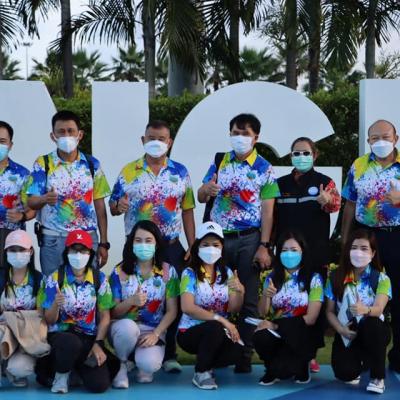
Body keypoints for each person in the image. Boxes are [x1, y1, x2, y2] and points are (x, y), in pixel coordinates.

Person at [109, 120, 195, 372]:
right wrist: (118, 206)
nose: (156, 142)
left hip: (170, 245)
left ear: (170, 142)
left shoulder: (180, 172)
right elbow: (113, 206)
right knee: (135, 296)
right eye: (151, 138)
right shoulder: (128, 171)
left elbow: (187, 210)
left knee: (172, 299)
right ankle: (130, 352)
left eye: (162, 138)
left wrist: (191, 245)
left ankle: (169, 354)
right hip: (138, 247)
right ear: (143, 140)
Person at [197, 113, 280, 372]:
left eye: (245, 133)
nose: (240, 137)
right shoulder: (219, 161)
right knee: (215, 293)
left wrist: (264, 245)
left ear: (256, 137)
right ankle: (215, 350)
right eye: (235, 132)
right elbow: (201, 195)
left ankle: (244, 355)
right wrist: (206, 191)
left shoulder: (265, 168)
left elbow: (268, 211)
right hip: (217, 240)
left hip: (249, 239)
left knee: (249, 299)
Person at [274, 136, 340, 372]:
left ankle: (310, 354)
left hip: (316, 255)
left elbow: (335, 204)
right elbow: (271, 216)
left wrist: (327, 201)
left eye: (305, 153)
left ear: (315, 155)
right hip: (287, 255)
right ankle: (284, 347)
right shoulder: (279, 183)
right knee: (286, 300)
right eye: (296, 153)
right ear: (290, 156)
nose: (300, 157)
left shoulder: (325, 182)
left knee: (314, 307)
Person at [341, 119, 400, 372]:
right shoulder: (358, 165)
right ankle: (362, 355)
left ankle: (398, 357)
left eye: (386, 137)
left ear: (396, 138)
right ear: (368, 141)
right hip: (366, 237)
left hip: (396, 236)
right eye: (375, 138)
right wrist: (346, 239)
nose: (381, 142)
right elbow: (350, 204)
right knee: (361, 293)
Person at [26, 110, 111, 276]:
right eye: (61, 132)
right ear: (53, 136)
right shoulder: (43, 163)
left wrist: (103, 242)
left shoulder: (92, 164)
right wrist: (44, 199)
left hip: (86, 240)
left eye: (71, 131)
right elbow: (31, 201)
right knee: (52, 287)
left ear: (80, 135)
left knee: (87, 287)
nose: (66, 136)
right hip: (53, 241)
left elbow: (100, 208)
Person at [36, 230, 117, 394]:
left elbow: (105, 317)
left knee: (99, 385)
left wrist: (98, 343)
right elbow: (49, 320)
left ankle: (75, 370)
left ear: (90, 253)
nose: (78, 255)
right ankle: (61, 375)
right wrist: (56, 304)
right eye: (74, 250)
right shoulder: (54, 279)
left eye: (83, 250)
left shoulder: (100, 279)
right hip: (62, 337)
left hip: (88, 338)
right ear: (67, 252)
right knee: (70, 343)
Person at [108, 220, 179, 388]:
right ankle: (122, 363)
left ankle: (139, 361)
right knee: (128, 328)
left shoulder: (168, 271)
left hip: (152, 330)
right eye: (138, 240)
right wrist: (130, 301)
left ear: (157, 244)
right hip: (123, 328)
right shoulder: (119, 272)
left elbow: (172, 311)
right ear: (131, 243)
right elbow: (113, 313)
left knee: (148, 368)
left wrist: (156, 334)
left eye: (148, 240)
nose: (143, 245)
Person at [177, 222, 245, 390]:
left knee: (239, 351)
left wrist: (240, 291)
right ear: (197, 247)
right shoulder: (189, 273)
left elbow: (234, 308)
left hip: (218, 331)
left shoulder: (227, 272)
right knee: (214, 327)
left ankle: (207, 361)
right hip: (190, 331)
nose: (211, 249)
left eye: (215, 245)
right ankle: (201, 372)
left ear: (222, 247)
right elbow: (187, 307)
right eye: (205, 244)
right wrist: (221, 320)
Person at [325, 229, 391, 394]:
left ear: (372, 253)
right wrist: (341, 330)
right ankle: (362, 362)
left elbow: (379, 309)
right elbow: (329, 311)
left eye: (364, 248)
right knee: (344, 373)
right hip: (347, 331)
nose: (358, 252)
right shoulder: (335, 277)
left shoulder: (381, 279)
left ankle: (377, 377)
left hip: (373, 330)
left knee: (373, 323)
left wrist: (365, 309)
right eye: (354, 248)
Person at [253, 231, 323, 386]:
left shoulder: (313, 278)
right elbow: (263, 312)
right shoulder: (272, 277)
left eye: (293, 250)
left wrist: (276, 325)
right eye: (284, 250)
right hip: (278, 333)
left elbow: (311, 318)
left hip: (301, 333)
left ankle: (303, 366)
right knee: (260, 335)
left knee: (287, 370)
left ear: (302, 252)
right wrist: (266, 296)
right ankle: (271, 368)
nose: (289, 254)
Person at [0, 230, 43, 387]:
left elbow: (41, 314)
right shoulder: (1, 278)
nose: (17, 254)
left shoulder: (39, 280)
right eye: (13, 250)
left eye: (21, 250)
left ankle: (11, 369)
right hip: (4, 332)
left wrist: (13, 318)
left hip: (28, 334)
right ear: (6, 252)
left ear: (30, 251)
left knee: (20, 368)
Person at [0, 121, 35, 269]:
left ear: (10, 145)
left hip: (12, 238)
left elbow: (33, 209)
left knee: (8, 278)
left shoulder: (23, 175)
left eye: (2, 141)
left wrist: (22, 216)